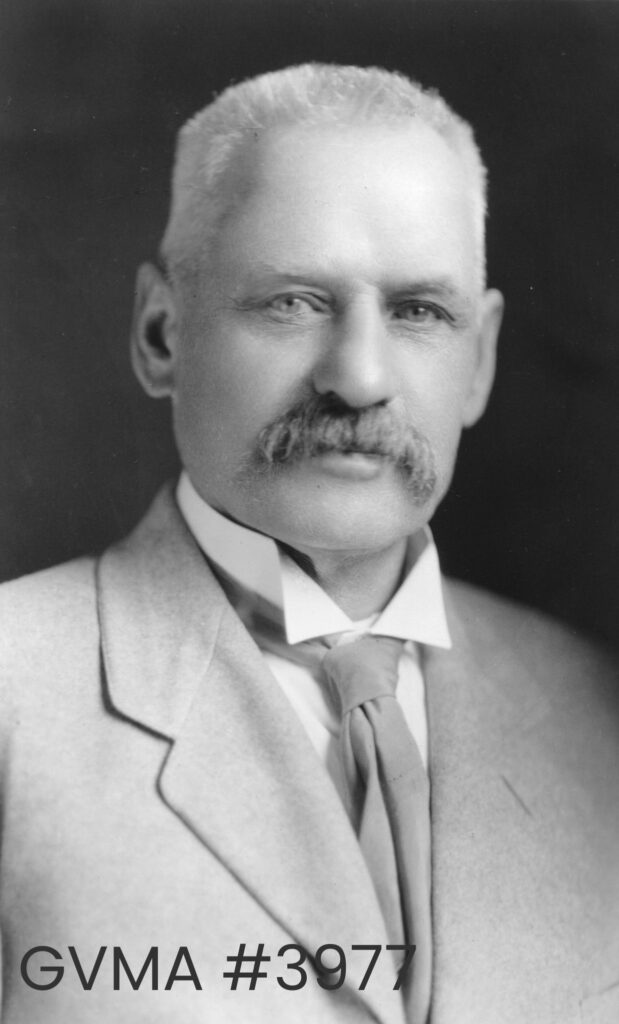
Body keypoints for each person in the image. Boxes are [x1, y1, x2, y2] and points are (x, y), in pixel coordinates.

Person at [1, 63, 618, 1024]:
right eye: (293, 301)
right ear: (161, 334)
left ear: (480, 360)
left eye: (418, 311)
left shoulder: (594, 708)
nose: (360, 377)